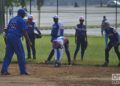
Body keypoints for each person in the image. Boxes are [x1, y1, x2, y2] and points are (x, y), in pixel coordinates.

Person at [1, 9, 31, 75]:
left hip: (9, 36)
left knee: (8, 55)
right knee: (21, 54)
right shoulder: (21, 20)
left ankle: (4, 70)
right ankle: (23, 71)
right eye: (24, 14)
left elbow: (7, 29)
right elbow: (25, 32)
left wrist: (7, 40)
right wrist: (28, 41)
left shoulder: (12, 19)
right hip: (15, 37)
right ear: (22, 14)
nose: (24, 15)